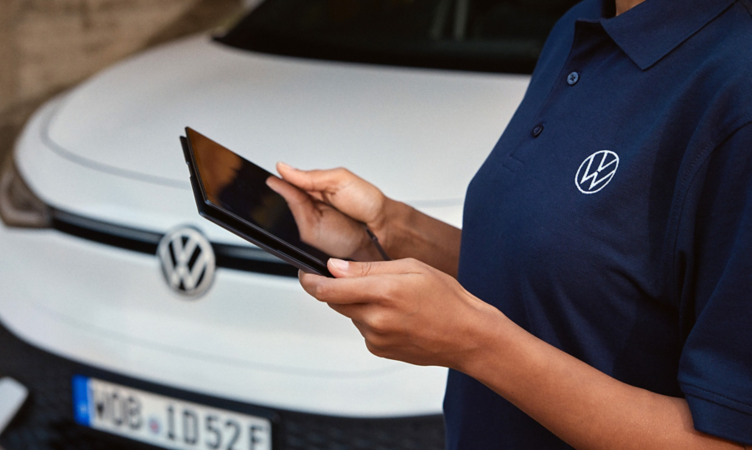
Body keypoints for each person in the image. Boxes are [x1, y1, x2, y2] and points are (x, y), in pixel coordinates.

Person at [266, 0, 752, 447]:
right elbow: (560, 277)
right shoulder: (581, 24)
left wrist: (475, 342)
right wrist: (389, 227)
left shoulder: (736, 87)